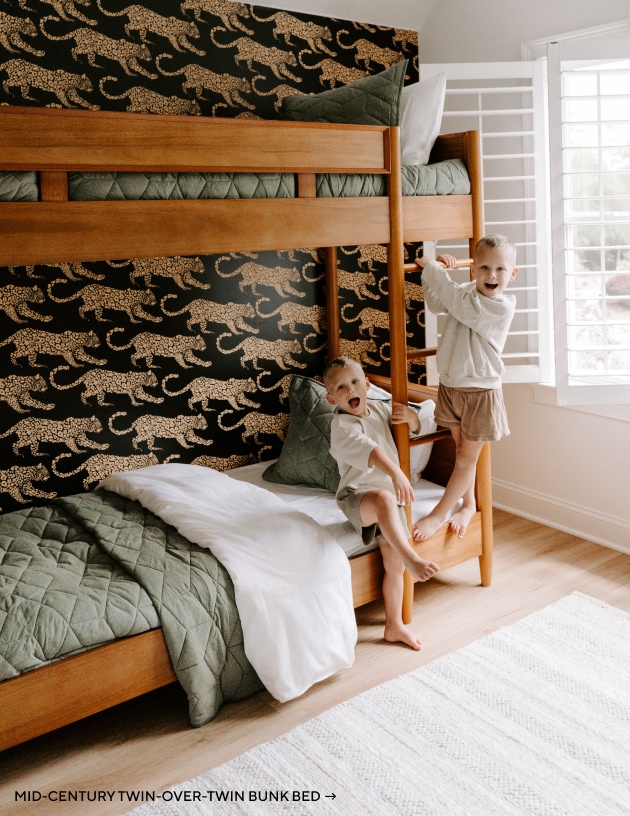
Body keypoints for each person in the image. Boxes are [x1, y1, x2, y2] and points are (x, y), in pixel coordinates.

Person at [323, 356, 439, 651]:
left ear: (367, 384)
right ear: (331, 397)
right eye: (340, 387)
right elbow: (371, 451)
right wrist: (399, 474)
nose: (349, 390)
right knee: (386, 498)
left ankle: (394, 626)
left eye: (354, 382)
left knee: (394, 565)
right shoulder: (341, 426)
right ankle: (413, 558)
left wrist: (411, 418)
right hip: (356, 498)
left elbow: (413, 424)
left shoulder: (378, 408)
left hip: (388, 502)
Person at [412, 233, 518, 542]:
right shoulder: (467, 292)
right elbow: (437, 302)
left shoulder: (501, 306)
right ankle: (468, 503)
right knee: (462, 455)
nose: (491, 275)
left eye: (500, 269)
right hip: (452, 385)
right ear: (473, 269)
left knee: (464, 460)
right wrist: (436, 275)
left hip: (480, 391)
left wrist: (435, 270)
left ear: (512, 274)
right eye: (484, 267)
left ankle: (438, 514)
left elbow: (456, 303)